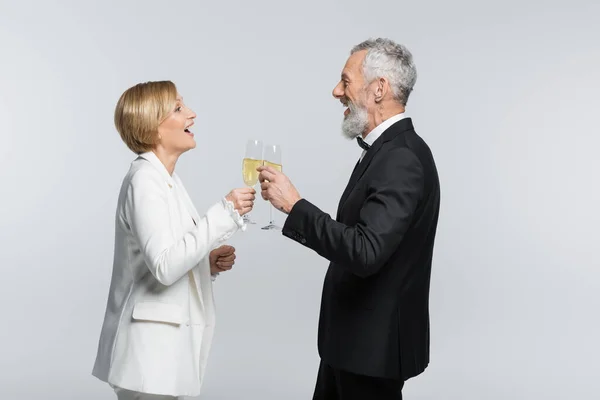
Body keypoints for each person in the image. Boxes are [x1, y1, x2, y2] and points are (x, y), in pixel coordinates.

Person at [258, 38, 440, 399]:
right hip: (352, 346)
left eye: (345, 81)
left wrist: (296, 206)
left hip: (372, 352)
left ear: (379, 89)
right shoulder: (389, 150)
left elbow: (365, 251)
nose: (336, 91)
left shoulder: (400, 157)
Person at [91, 80, 255, 400]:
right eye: (178, 109)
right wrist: (224, 213)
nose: (191, 114)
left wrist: (204, 265)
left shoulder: (166, 180)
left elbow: (160, 259)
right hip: (149, 357)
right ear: (153, 127)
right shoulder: (145, 181)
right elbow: (165, 267)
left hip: (162, 357)